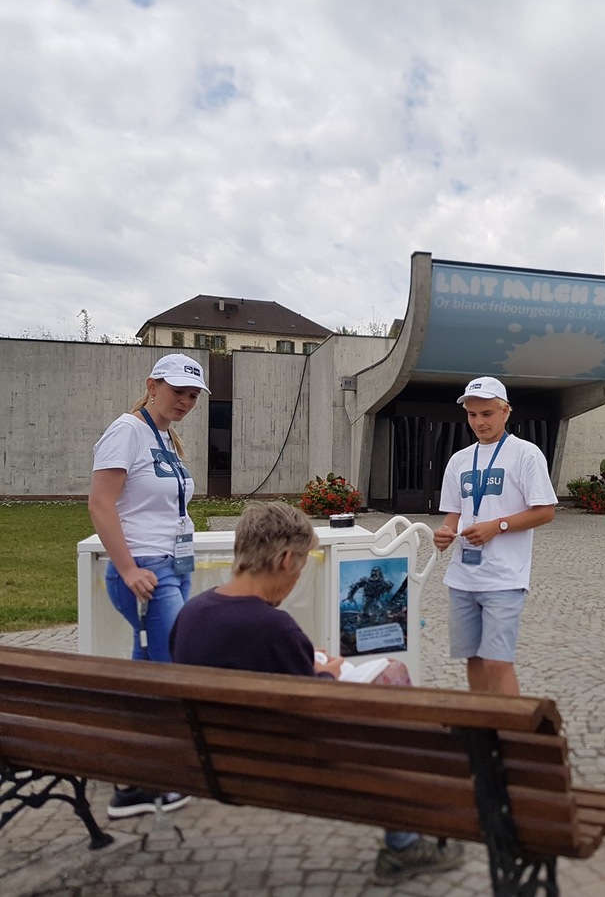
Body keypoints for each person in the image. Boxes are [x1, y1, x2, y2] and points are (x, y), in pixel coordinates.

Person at [170, 501, 464, 885]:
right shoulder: (273, 627)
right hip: (285, 764)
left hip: (213, 757)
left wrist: (310, 669)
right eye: (302, 566)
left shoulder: (191, 612)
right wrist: (327, 672)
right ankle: (404, 843)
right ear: (286, 560)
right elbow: (312, 712)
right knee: (393, 691)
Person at [89, 352, 208, 819]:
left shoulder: (162, 435)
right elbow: (101, 504)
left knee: (148, 676)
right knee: (172, 670)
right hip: (146, 571)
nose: (186, 401)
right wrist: (129, 568)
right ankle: (152, 778)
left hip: (173, 566)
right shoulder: (127, 430)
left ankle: (133, 779)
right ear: (152, 384)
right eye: (179, 390)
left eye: (193, 395)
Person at [433, 376, 556, 696]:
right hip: (462, 577)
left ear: (506, 412)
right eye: (472, 415)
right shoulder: (459, 460)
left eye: (487, 414)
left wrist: (496, 526)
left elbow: (545, 511)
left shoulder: (526, 455)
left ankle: (510, 735)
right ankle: (483, 732)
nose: (479, 422)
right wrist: (445, 533)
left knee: (498, 662)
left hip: (504, 578)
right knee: (473, 659)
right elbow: (453, 515)